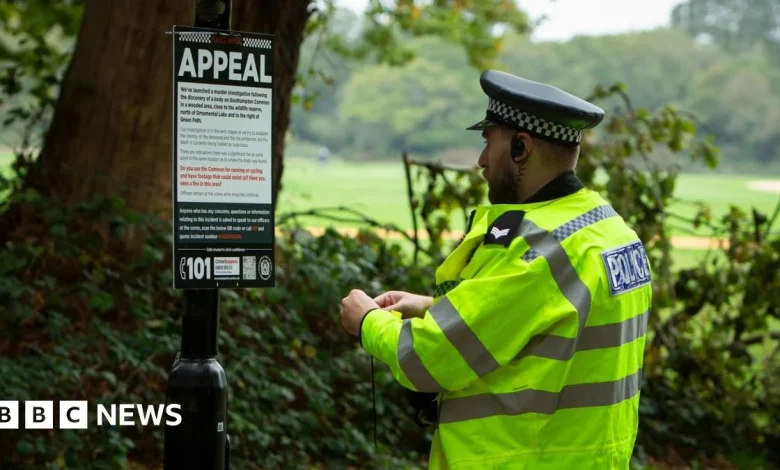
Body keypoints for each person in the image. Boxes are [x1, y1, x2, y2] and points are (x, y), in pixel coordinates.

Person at [339, 70, 652, 469]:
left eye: (489, 143)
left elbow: (431, 358)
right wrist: (433, 307)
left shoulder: (537, 251)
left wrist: (366, 320)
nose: (482, 161)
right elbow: (544, 322)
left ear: (522, 146)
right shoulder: (610, 230)